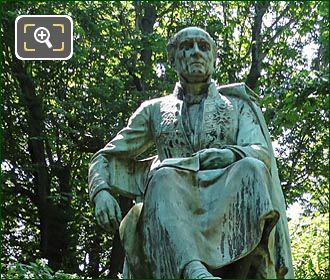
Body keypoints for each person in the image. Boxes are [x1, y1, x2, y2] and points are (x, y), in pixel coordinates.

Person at [88, 27, 294, 279]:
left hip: (226, 199)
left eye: (203, 46)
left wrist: (230, 155)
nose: (196, 52)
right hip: (172, 199)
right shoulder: (153, 110)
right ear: (173, 59)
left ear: (213, 58)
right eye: (187, 46)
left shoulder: (237, 106)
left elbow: (260, 152)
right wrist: (100, 191)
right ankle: (192, 270)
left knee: (252, 168)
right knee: (162, 175)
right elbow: (106, 156)